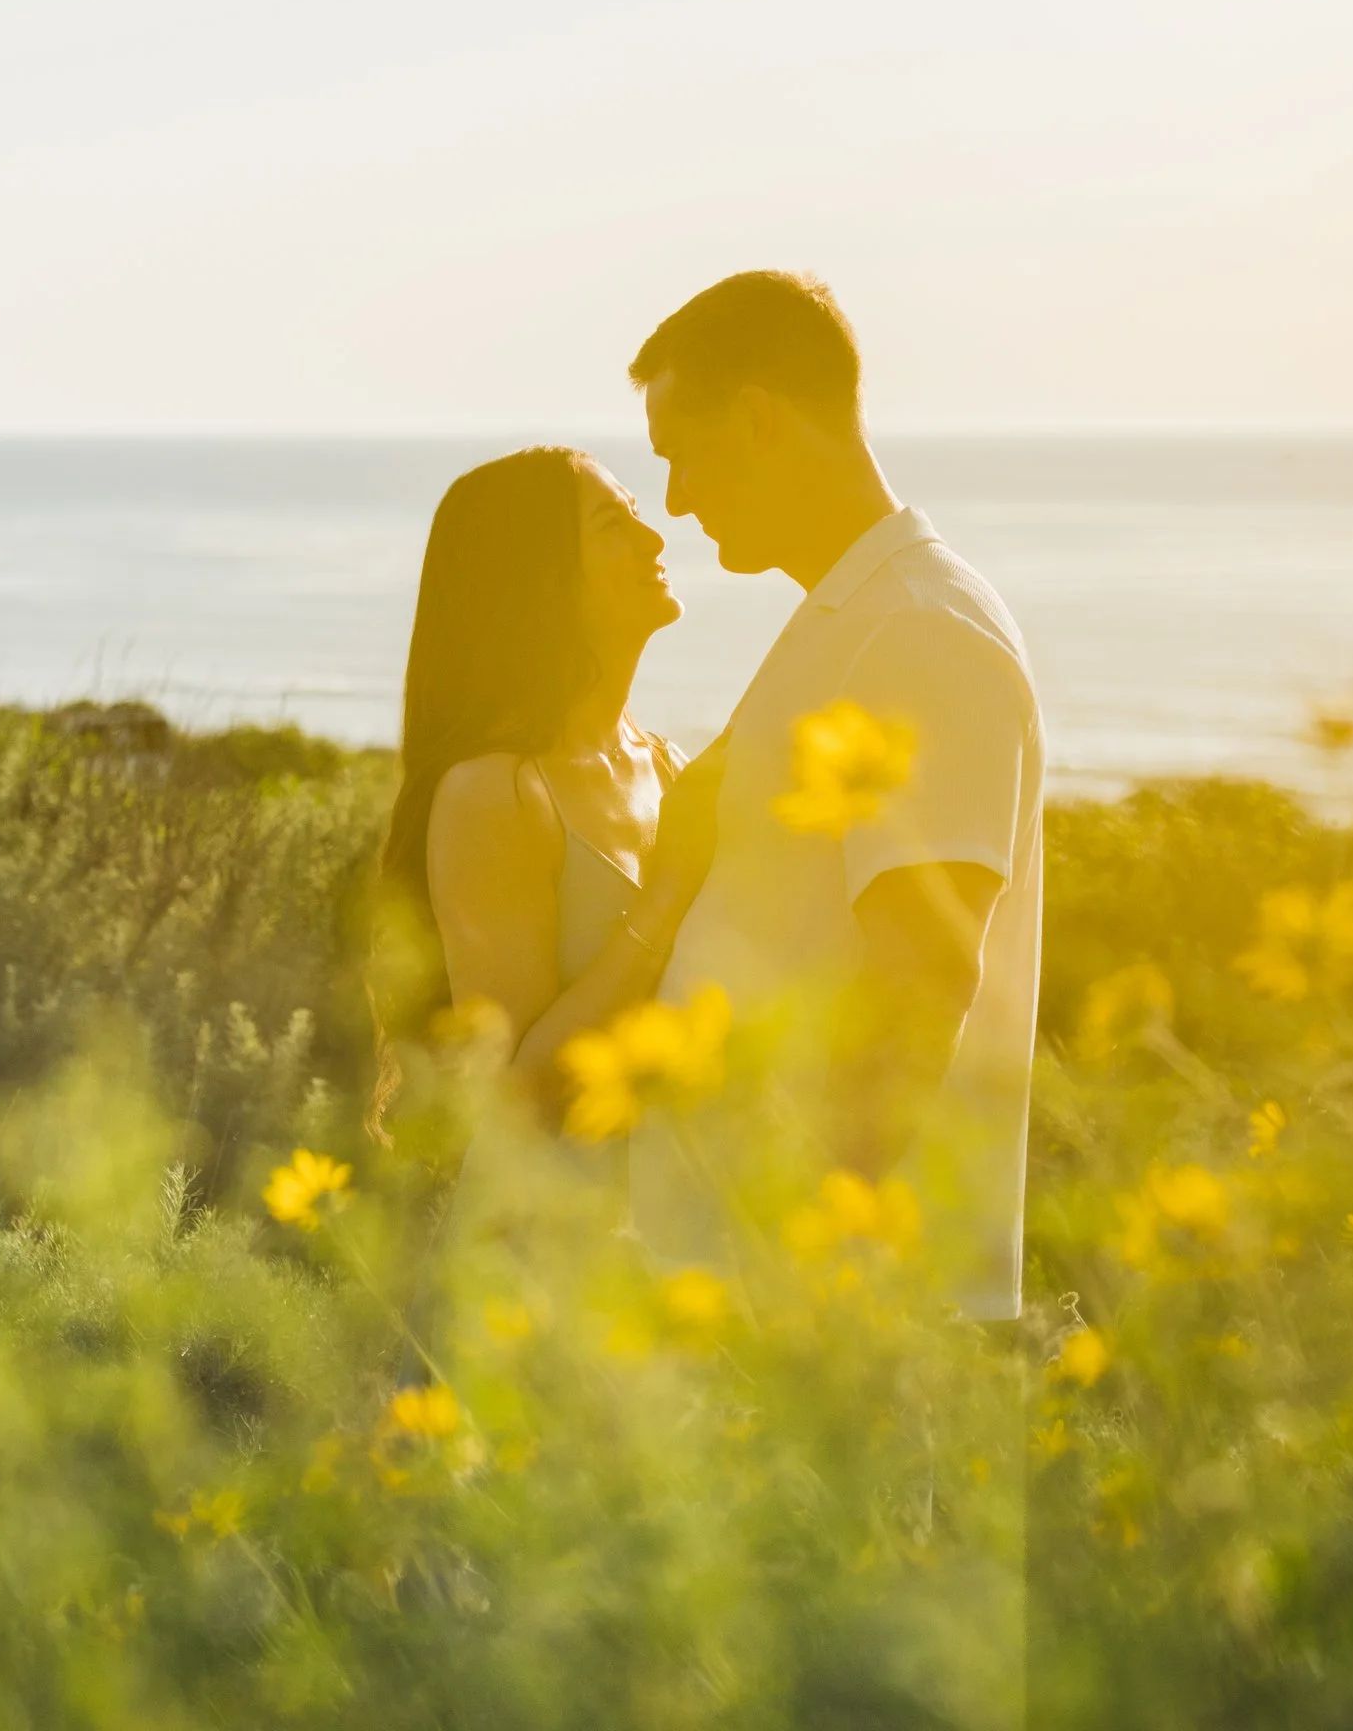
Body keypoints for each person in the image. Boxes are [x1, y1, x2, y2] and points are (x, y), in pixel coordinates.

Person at [624, 271, 1043, 1325]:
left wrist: (812, 1262)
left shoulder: (916, 629)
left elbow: (923, 975)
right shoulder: (856, 616)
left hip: (838, 1316)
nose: (674, 497)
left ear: (758, 418)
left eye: (681, 453)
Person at [368, 445, 721, 1187]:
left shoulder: (667, 768)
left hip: (664, 1236)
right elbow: (514, 1098)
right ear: (544, 583)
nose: (654, 540)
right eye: (612, 526)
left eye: (637, 516)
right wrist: (666, 897)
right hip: (540, 1255)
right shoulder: (495, 792)